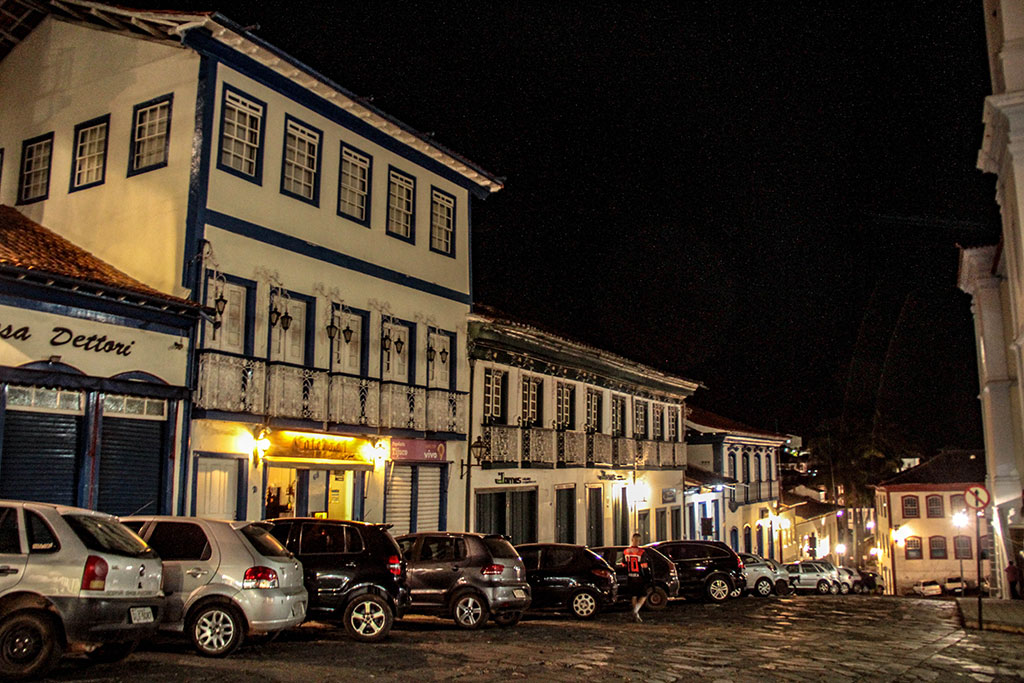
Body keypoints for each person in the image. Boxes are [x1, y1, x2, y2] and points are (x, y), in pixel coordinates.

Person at [622, 533, 651, 622]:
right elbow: (644, 566)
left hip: (630, 577)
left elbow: (623, 564)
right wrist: (647, 576)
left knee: (633, 596)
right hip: (639, 577)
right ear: (639, 541)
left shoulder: (626, 551)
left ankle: (636, 616)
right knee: (644, 595)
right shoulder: (641, 552)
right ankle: (635, 611)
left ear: (632, 540)